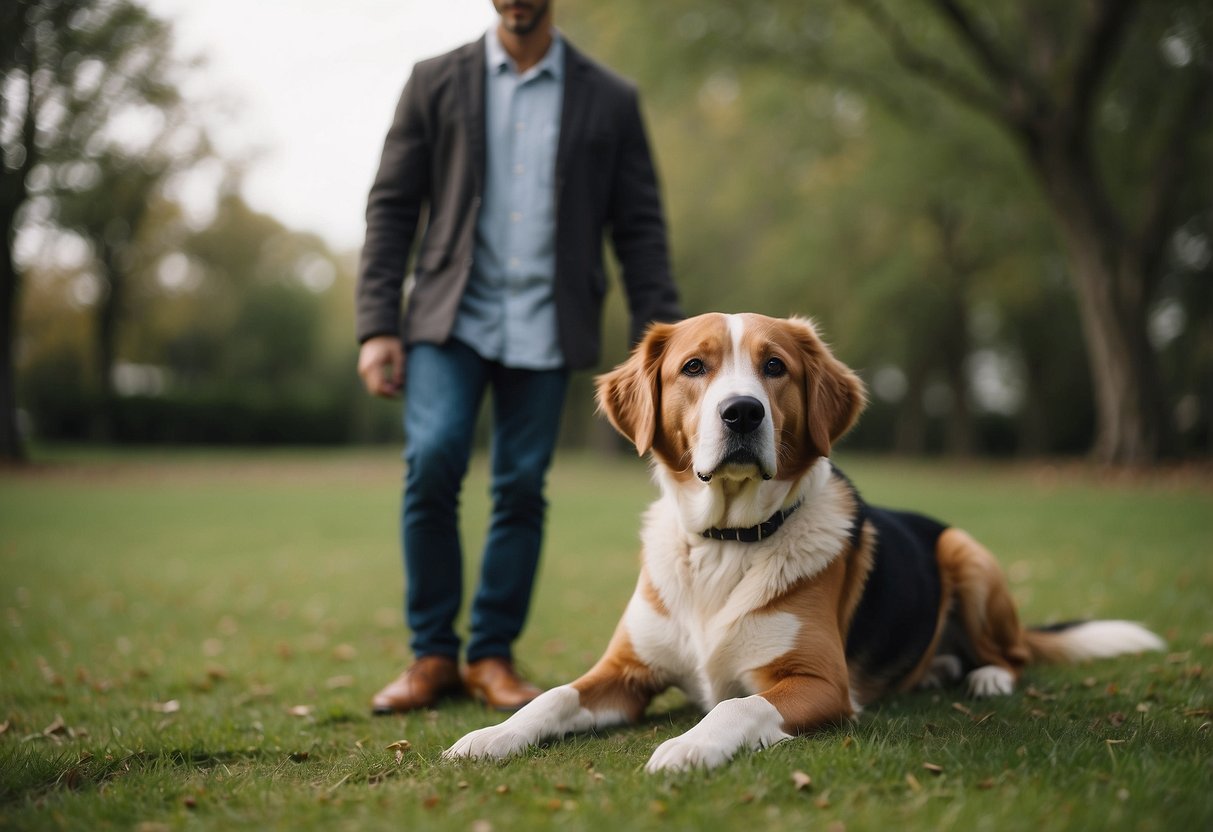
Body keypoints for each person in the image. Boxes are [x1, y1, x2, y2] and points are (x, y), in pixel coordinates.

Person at [356, 0, 681, 715]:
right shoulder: (433, 80)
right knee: (433, 461)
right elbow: (392, 207)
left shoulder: (610, 98)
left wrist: (669, 342)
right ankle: (433, 655)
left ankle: (492, 657)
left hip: (547, 322)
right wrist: (378, 324)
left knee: (521, 486)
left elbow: (640, 227)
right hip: (449, 320)